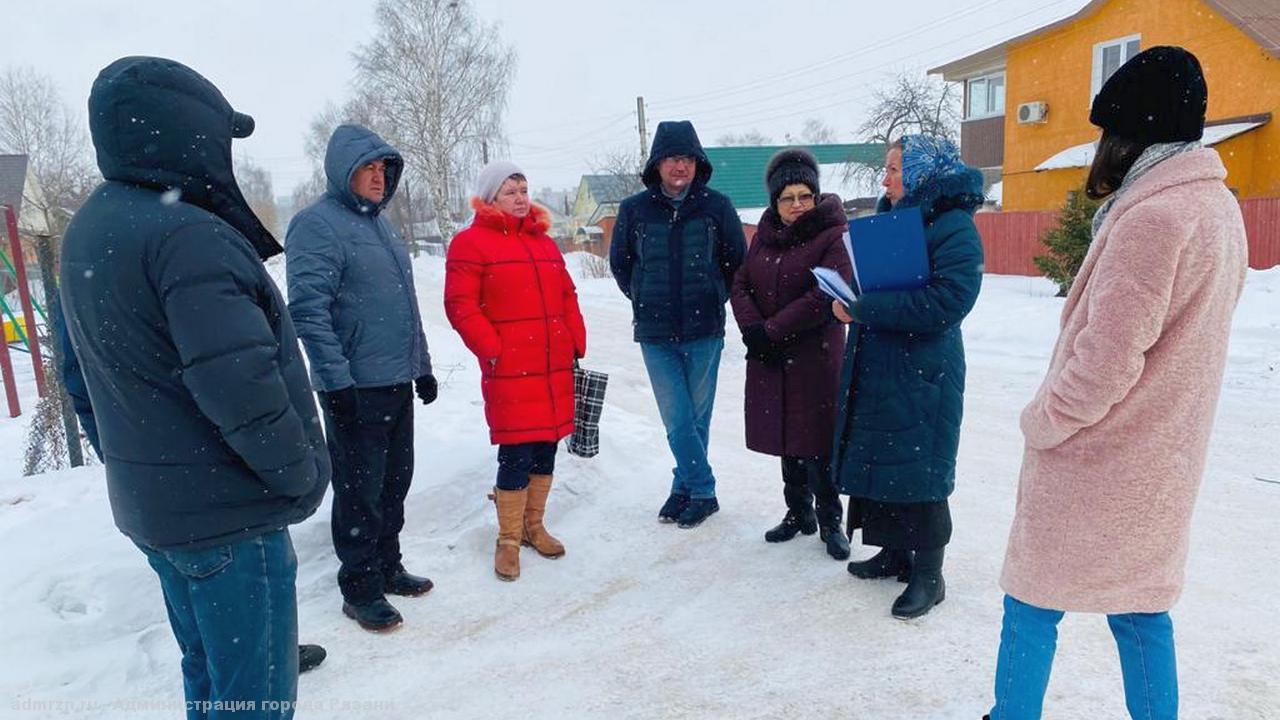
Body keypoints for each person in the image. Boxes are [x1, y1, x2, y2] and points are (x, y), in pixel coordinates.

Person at [59, 56, 329, 718]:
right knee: (253, 698)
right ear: (186, 132)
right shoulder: (187, 236)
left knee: (210, 675)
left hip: (160, 513)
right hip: (230, 517)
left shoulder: (91, 229)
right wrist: (299, 477)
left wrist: (138, 467)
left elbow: (77, 376)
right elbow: (240, 383)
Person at [986, 47, 1247, 720]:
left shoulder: (1154, 218)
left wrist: (1044, 420)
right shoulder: (1215, 208)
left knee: (1031, 602)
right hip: (1161, 457)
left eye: (1107, 132)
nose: (1100, 148)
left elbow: (1108, 358)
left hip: (1100, 458)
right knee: (1140, 610)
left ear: (1131, 132)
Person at [57, 304, 329, 674]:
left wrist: (131, 463)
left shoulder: (86, 260)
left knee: (209, 662)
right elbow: (239, 382)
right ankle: (262, 653)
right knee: (251, 674)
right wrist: (298, 475)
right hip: (224, 507)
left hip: (159, 499)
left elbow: (80, 383)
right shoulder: (189, 250)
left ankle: (258, 652)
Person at [286, 124, 437, 632]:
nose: (378, 177)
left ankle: (388, 566)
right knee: (360, 490)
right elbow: (309, 310)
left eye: (384, 169)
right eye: (368, 168)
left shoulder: (383, 228)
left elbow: (405, 310)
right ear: (343, 171)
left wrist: (423, 367)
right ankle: (360, 586)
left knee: (395, 482)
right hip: (354, 387)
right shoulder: (317, 225)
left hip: (395, 380)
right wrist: (336, 382)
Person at [832, 134, 984, 620]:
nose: (885, 177)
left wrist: (864, 308)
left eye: (895, 168)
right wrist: (851, 301)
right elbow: (880, 283)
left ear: (921, 173)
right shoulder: (897, 221)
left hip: (925, 370)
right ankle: (894, 553)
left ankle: (929, 575)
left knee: (920, 470)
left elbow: (947, 303)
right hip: (882, 359)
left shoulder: (954, 226)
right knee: (883, 458)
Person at [444, 161, 587, 581]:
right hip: (510, 368)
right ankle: (508, 539)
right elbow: (460, 306)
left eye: (524, 189)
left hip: (552, 365)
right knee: (516, 451)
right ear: (490, 199)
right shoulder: (471, 243)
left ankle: (534, 525)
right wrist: (493, 350)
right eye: (510, 191)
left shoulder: (544, 243)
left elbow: (567, 294)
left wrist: (575, 338)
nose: (521, 198)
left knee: (546, 447)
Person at [609, 120, 747, 528]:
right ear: (657, 163)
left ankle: (683, 487)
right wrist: (644, 294)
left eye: (687, 158)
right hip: (655, 333)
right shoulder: (634, 210)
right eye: (672, 158)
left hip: (704, 330)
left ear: (697, 162)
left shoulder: (716, 206)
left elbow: (735, 260)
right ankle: (702, 489)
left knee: (695, 417)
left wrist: (711, 294)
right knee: (677, 417)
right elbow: (621, 264)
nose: (679, 166)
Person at [730, 148, 852, 560]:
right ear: (774, 202)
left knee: (817, 442)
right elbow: (741, 283)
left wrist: (772, 330)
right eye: (788, 197)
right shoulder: (763, 236)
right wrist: (752, 329)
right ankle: (798, 512)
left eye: (804, 195)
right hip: (771, 357)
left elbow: (825, 293)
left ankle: (830, 520)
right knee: (785, 437)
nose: (797, 205)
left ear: (815, 196)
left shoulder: (833, 236)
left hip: (815, 356)